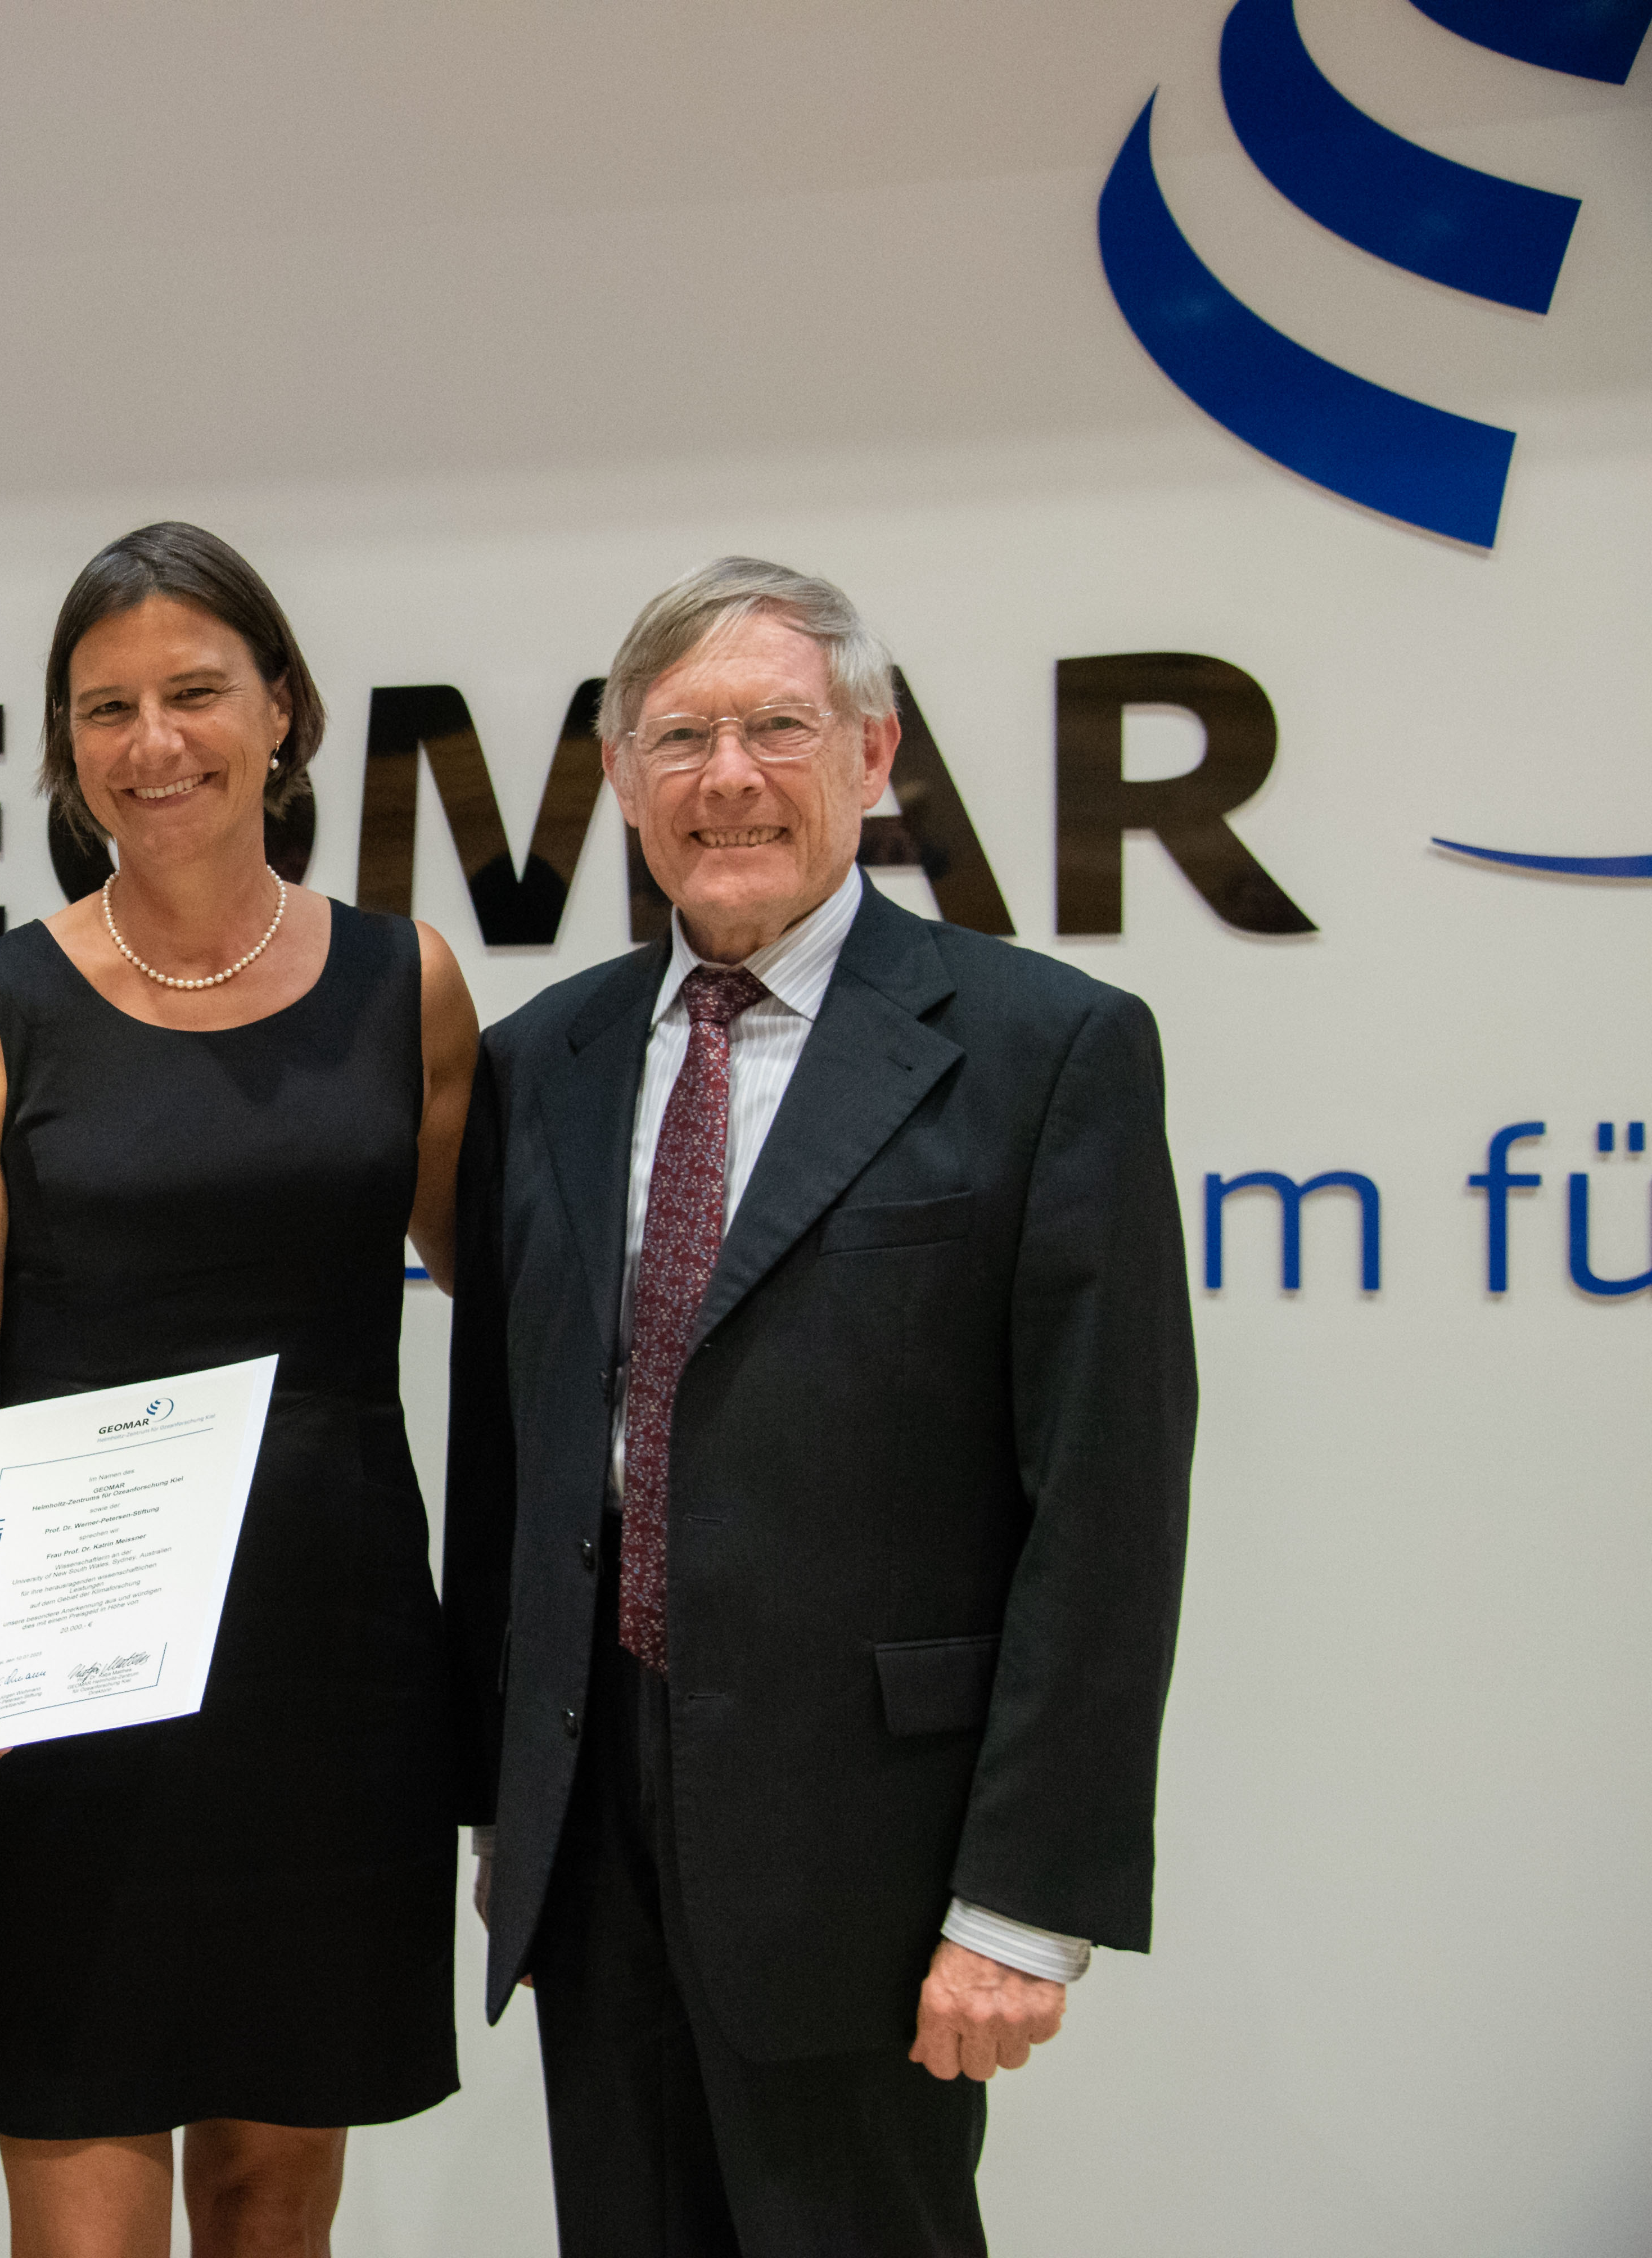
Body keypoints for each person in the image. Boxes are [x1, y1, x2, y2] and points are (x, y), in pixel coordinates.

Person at [445, 556, 1195, 2255]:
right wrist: (508, 1808)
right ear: (622, 780)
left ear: (872, 753)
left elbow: (1108, 1503)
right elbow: (513, 1454)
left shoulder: (1045, 1050)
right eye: (681, 738)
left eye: (776, 728)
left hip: (875, 1852)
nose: (728, 778)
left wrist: (1025, 1900)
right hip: (594, 1835)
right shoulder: (543, 1061)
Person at [0, 522, 480, 2258]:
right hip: (70, 1672)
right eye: (105, 708)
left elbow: (508, 1291)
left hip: (330, 1662)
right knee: (85, 2187)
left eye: (195, 692)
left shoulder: (408, 983)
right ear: (67, 748)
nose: (154, 742)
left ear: (282, 710)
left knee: (278, 2204)